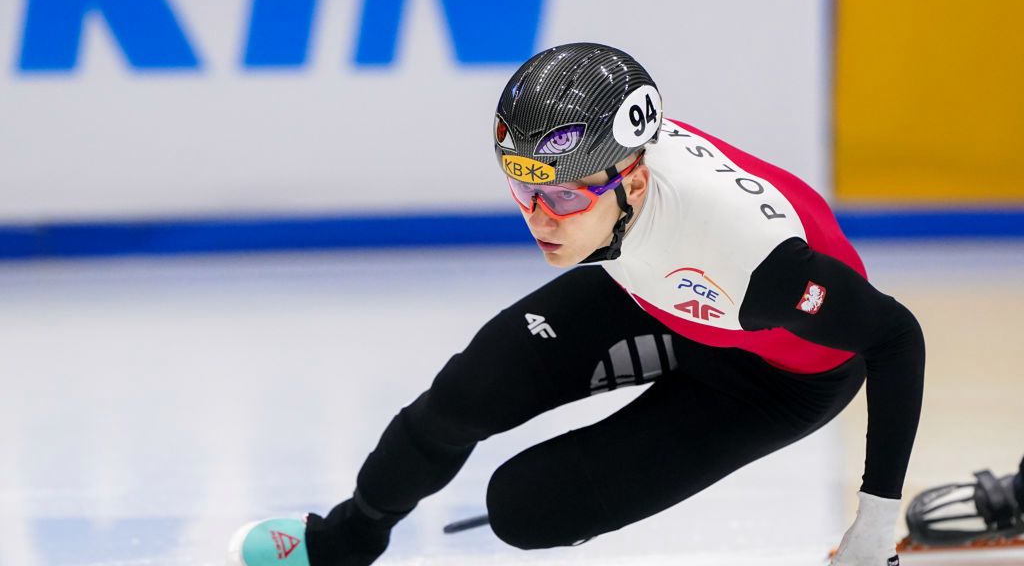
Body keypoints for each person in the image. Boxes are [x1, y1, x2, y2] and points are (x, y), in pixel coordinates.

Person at [226, 43, 925, 566]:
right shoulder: (605, 178)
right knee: (462, 397)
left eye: (561, 197)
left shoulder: (759, 260)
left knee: (521, 508)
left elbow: (895, 337)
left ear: (637, 183)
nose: (539, 219)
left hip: (772, 382)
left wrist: (873, 526)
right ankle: (348, 538)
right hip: (655, 295)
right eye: (523, 190)